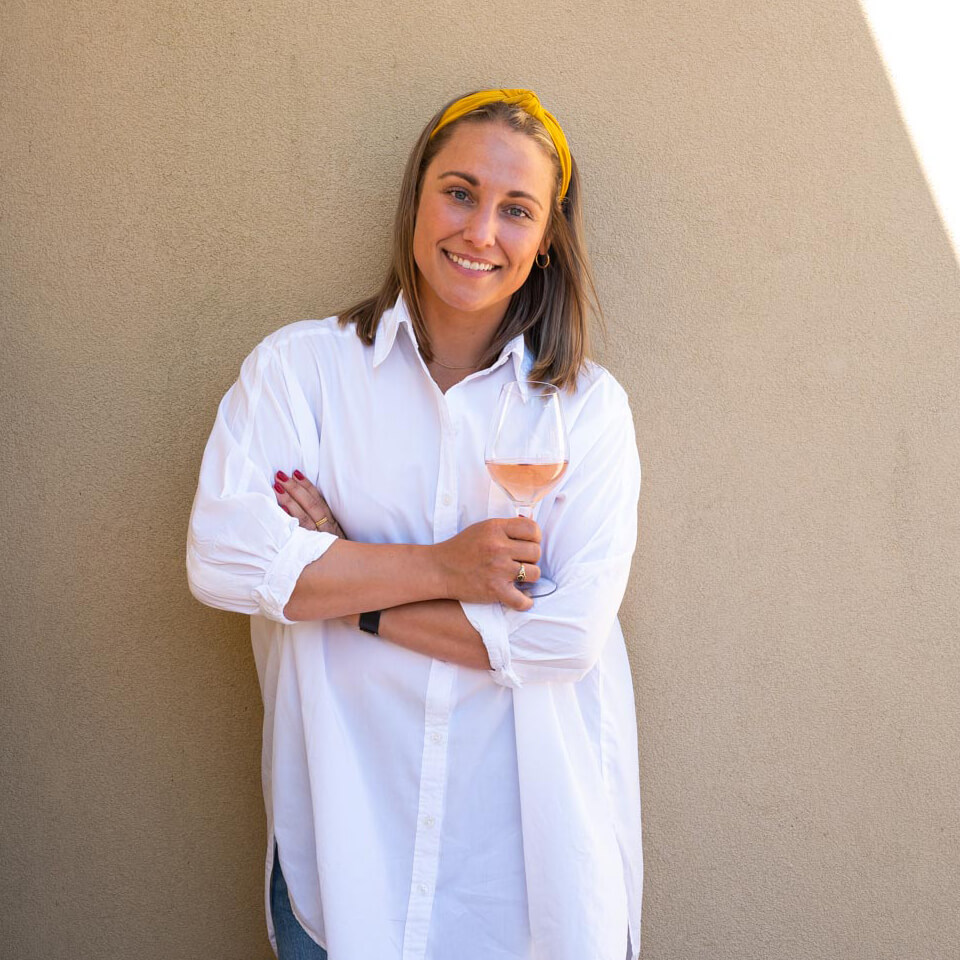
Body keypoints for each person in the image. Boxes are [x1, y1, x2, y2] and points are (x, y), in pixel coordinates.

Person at [186, 88, 643, 960]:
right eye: (460, 192)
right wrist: (448, 568)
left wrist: (344, 582)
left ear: (545, 239)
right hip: (349, 853)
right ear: (416, 198)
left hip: (529, 874)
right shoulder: (302, 373)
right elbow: (222, 559)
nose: (480, 232)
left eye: (516, 210)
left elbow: (561, 640)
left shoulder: (584, 412)